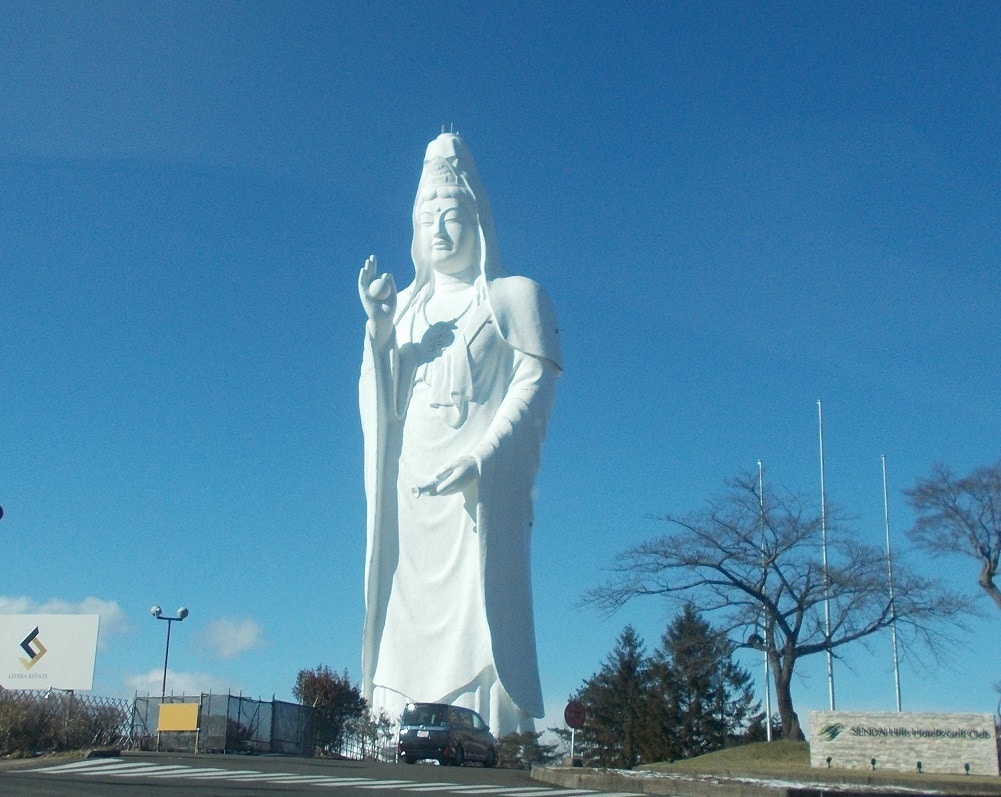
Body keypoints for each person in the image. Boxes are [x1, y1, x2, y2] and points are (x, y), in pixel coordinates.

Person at [357, 132, 561, 735]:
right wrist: (381, 332)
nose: (440, 231)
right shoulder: (408, 310)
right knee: (404, 602)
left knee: (479, 596)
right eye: (428, 219)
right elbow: (386, 407)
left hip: (477, 491)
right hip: (413, 490)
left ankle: (484, 720)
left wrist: (487, 455)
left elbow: (535, 383)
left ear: (478, 220)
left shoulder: (512, 297)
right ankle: (392, 720)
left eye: (453, 215)